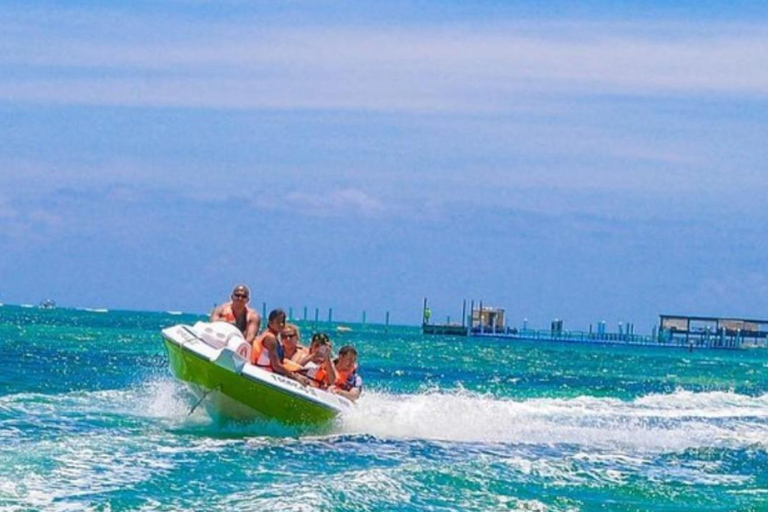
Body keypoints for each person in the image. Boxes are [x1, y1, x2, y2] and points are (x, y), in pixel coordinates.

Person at [251, 309, 310, 386]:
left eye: (283, 322)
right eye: (278, 322)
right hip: (264, 374)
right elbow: (276, 365)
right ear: (271, 323)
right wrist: (296, 378)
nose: (282, 324)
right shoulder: (270, 339)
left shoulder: (268, 335)